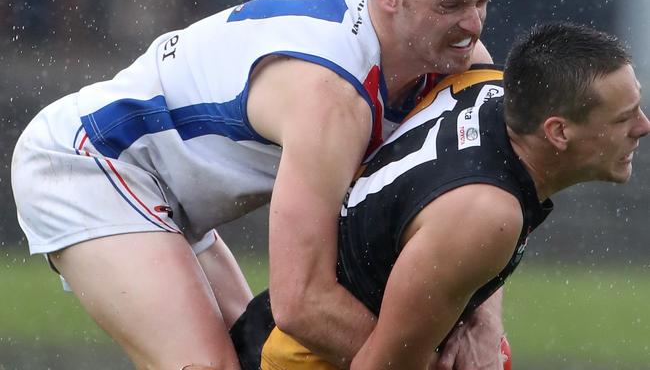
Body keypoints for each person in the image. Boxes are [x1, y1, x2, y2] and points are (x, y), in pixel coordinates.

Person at [11, 0, 504, 369]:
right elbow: (301, 302)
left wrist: (482, 324)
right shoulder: (330, 97)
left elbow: (486, 197)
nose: (473, 25)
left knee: (257, 358)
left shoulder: (457, 59)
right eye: (451, 5)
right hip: (89, 159)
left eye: (482, 1)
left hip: (165, 191)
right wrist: (424, 357)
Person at [230, 22, 650, 370]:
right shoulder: (487, 213)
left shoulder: (487, 81)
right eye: (623, 117)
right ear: (557, 132)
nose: (643, 126)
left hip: (269, 331)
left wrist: (484, 323)